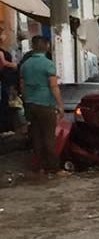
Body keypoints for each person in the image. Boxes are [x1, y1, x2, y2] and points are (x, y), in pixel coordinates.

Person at [19, 35, 64, 174]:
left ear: (33, 47)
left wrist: (27, 101)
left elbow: (22, 86)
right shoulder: (48, 64)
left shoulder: (25, 65)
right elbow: (54, 86)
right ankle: (54, 169)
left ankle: (38, 168)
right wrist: (60, 105)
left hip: (30, 104)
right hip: (45, 104)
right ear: (47, 46)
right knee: (49, 138)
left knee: (37, 137)